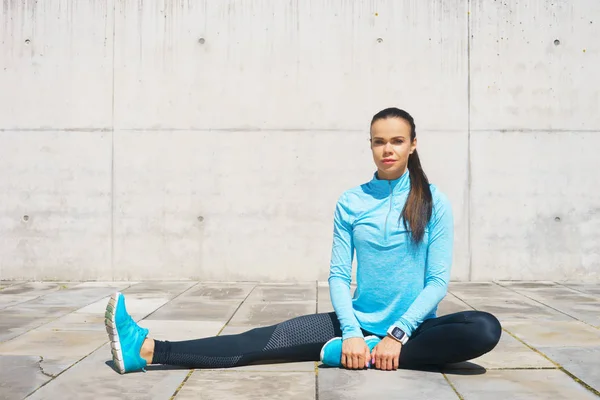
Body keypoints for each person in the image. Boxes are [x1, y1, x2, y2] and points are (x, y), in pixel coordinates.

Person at [104, 107, 501, 374]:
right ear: (371, 145)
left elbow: (436, 283)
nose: (388, 149)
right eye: (379, 141)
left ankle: (348, 355)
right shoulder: (352, 201)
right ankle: (146, 349)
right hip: (354, 324)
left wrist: (397, 335)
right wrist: (349, 333)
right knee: (256, 342)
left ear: (412, 144)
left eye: (397, 141)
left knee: (483, 328)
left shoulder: (434, 202)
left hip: (411, 330)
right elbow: (338, 275)